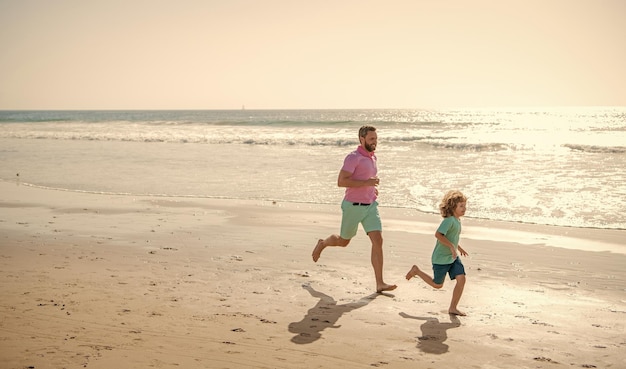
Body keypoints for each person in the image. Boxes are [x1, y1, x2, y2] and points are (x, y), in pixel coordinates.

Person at [312, 125, 397, 293]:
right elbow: (341, 181)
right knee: (344, 241)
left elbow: (366, 179)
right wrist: (366, 184)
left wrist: (371, 189)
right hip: (353, 206)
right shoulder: (353, 158)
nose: (375, 142)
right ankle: (323, 243)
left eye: (376, 139)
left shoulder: (373, 157)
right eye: (372, 139)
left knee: (378, 241)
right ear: (362, 139)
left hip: (370, 206)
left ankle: (380, 283)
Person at [405, 190, 469, 316]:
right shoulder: (449, 221)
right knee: (437, 285)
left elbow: (452, 237)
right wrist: (451, 246)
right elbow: (438, 234)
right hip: (441, 258)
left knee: (461, 279)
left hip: (453, 257)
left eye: (465, 206)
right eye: (461, 206)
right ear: (452, 207)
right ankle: (416, 271)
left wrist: (458, 247)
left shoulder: (457, 221)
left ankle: (453, 308)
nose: (464, 208)